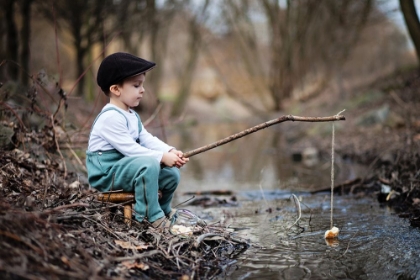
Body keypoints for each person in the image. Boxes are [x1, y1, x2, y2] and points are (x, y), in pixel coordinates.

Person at [86, 52, 189, 229]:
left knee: (171, 174)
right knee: (149, 165)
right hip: (107, 174)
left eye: (142, 85)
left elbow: (146, 139)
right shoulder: (110, 117)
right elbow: (131, 149)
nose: (142, 90)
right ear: (116, 90)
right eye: (136, 85)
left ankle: (163, 210)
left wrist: (169, 151)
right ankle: (151, 216)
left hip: (125, 168)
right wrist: (161, 157)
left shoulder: (131, 115)